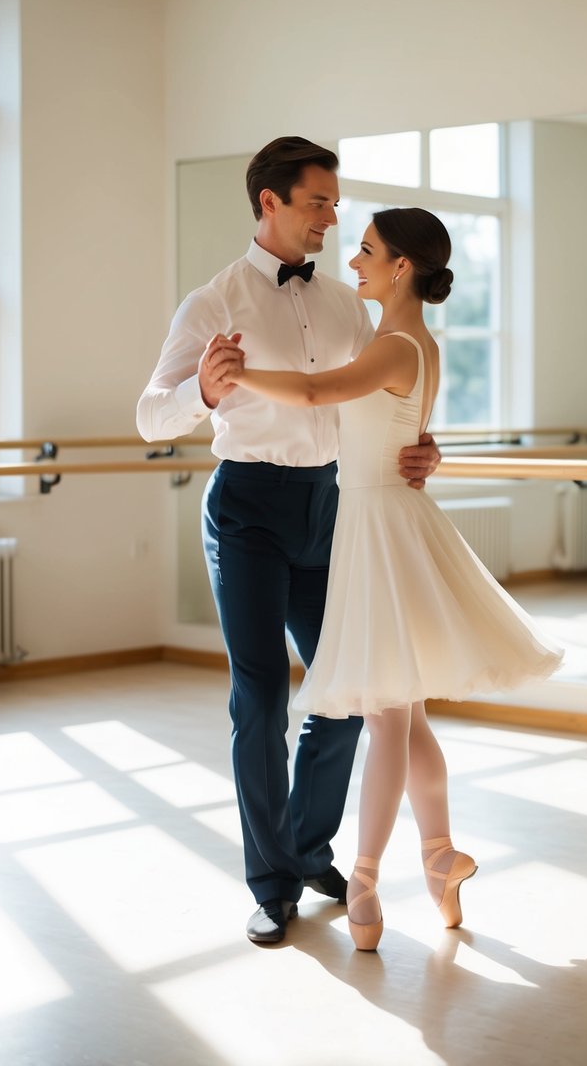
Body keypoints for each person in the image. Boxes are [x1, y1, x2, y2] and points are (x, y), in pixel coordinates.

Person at [136, 138, 442, 947]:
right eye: (318, 202)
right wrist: (202, 391)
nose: (332, 219)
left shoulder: (347, 304)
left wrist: (422, 444)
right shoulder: (212, 302)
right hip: (245, 509)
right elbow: (148, 413)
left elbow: (377, 395)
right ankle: (270, 882)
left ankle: (307, 847)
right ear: (269, 202)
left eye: (337, 204)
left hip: (329, 503)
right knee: (262, 696)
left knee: (346, 692)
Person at [232, 207, 564, 951]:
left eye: (368, 250)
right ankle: (439, 858)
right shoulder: (416, 342)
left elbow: (319, 396)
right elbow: (402, 432)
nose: (354, 261)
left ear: (402, 266)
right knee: (404, 717)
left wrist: (236, 374)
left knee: (385, 715)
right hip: (382, 522)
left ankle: (366, 883)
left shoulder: (393, 344)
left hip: (380, 527)